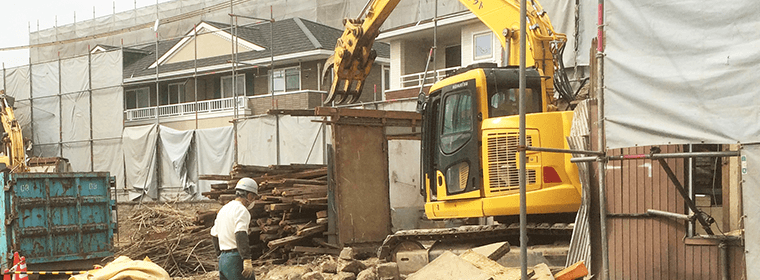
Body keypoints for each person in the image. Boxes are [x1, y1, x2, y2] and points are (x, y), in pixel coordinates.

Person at [211, 177, 259, 280]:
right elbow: (240, 234)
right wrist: (246, 259)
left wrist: (220, 256)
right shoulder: (242, 210)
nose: (253, 201)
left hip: (223, 260)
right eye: (253, 197)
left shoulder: (224, 209)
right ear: (249, 195)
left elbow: (214, 234)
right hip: (236, 258)